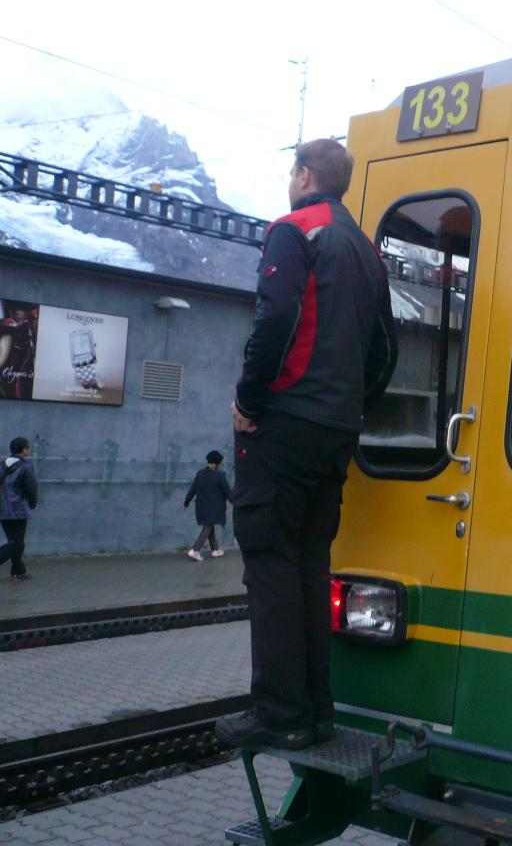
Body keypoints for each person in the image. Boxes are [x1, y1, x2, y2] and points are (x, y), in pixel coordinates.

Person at [215, 139, 397, 750]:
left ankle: (279, 715)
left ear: (304, 175)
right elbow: (384, 352)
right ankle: (316, 712)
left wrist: (249, 401)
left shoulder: (294, 231)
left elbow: (274, 319)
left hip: (283, 426)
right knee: (311, 568)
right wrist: (347, 404)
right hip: (336, 432)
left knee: (271, 565)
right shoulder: (368, 251)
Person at [0, 437, 39, 582]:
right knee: (16, 544)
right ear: (24, 449)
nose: (29, 450)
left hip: (1, 509)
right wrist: (32, 503)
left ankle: (18, 572)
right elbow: (31, 488)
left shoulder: (0, 464)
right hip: (18, 510)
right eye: (28, 447)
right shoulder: (26, 466)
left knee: (15, 542)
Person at [182, 450, 232, 561]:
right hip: (214, 507)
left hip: (201, 506)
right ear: (218, 463)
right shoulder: (219, 475)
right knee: (208, 526)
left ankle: (215, 550)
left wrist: (186, 503)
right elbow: (227, 491)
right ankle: (195, 550)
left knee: (209, 525)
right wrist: (236, 502)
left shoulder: (200, 474)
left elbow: (193, 489)